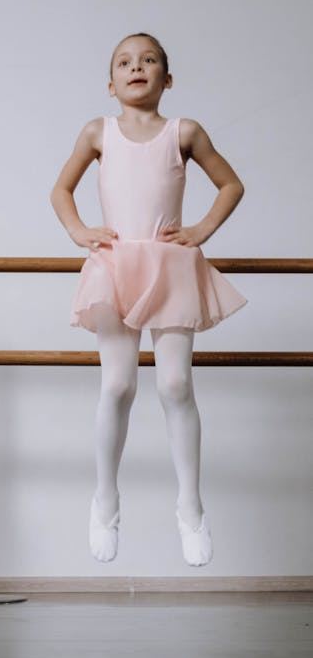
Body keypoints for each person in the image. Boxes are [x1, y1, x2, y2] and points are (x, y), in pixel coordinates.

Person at [51, 34, 245, 566]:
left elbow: (230, 184)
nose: (137, 67)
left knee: (176, 383)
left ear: (168, 77)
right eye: (124, 62)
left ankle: (190, 507)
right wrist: (77, 230)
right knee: (116, 384)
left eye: (149, 60)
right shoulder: (98, 131)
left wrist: (202, 228)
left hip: (170, 263)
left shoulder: (184, 132)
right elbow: (60, 190)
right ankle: (105, 500)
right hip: (114, 265)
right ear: (110, 82)